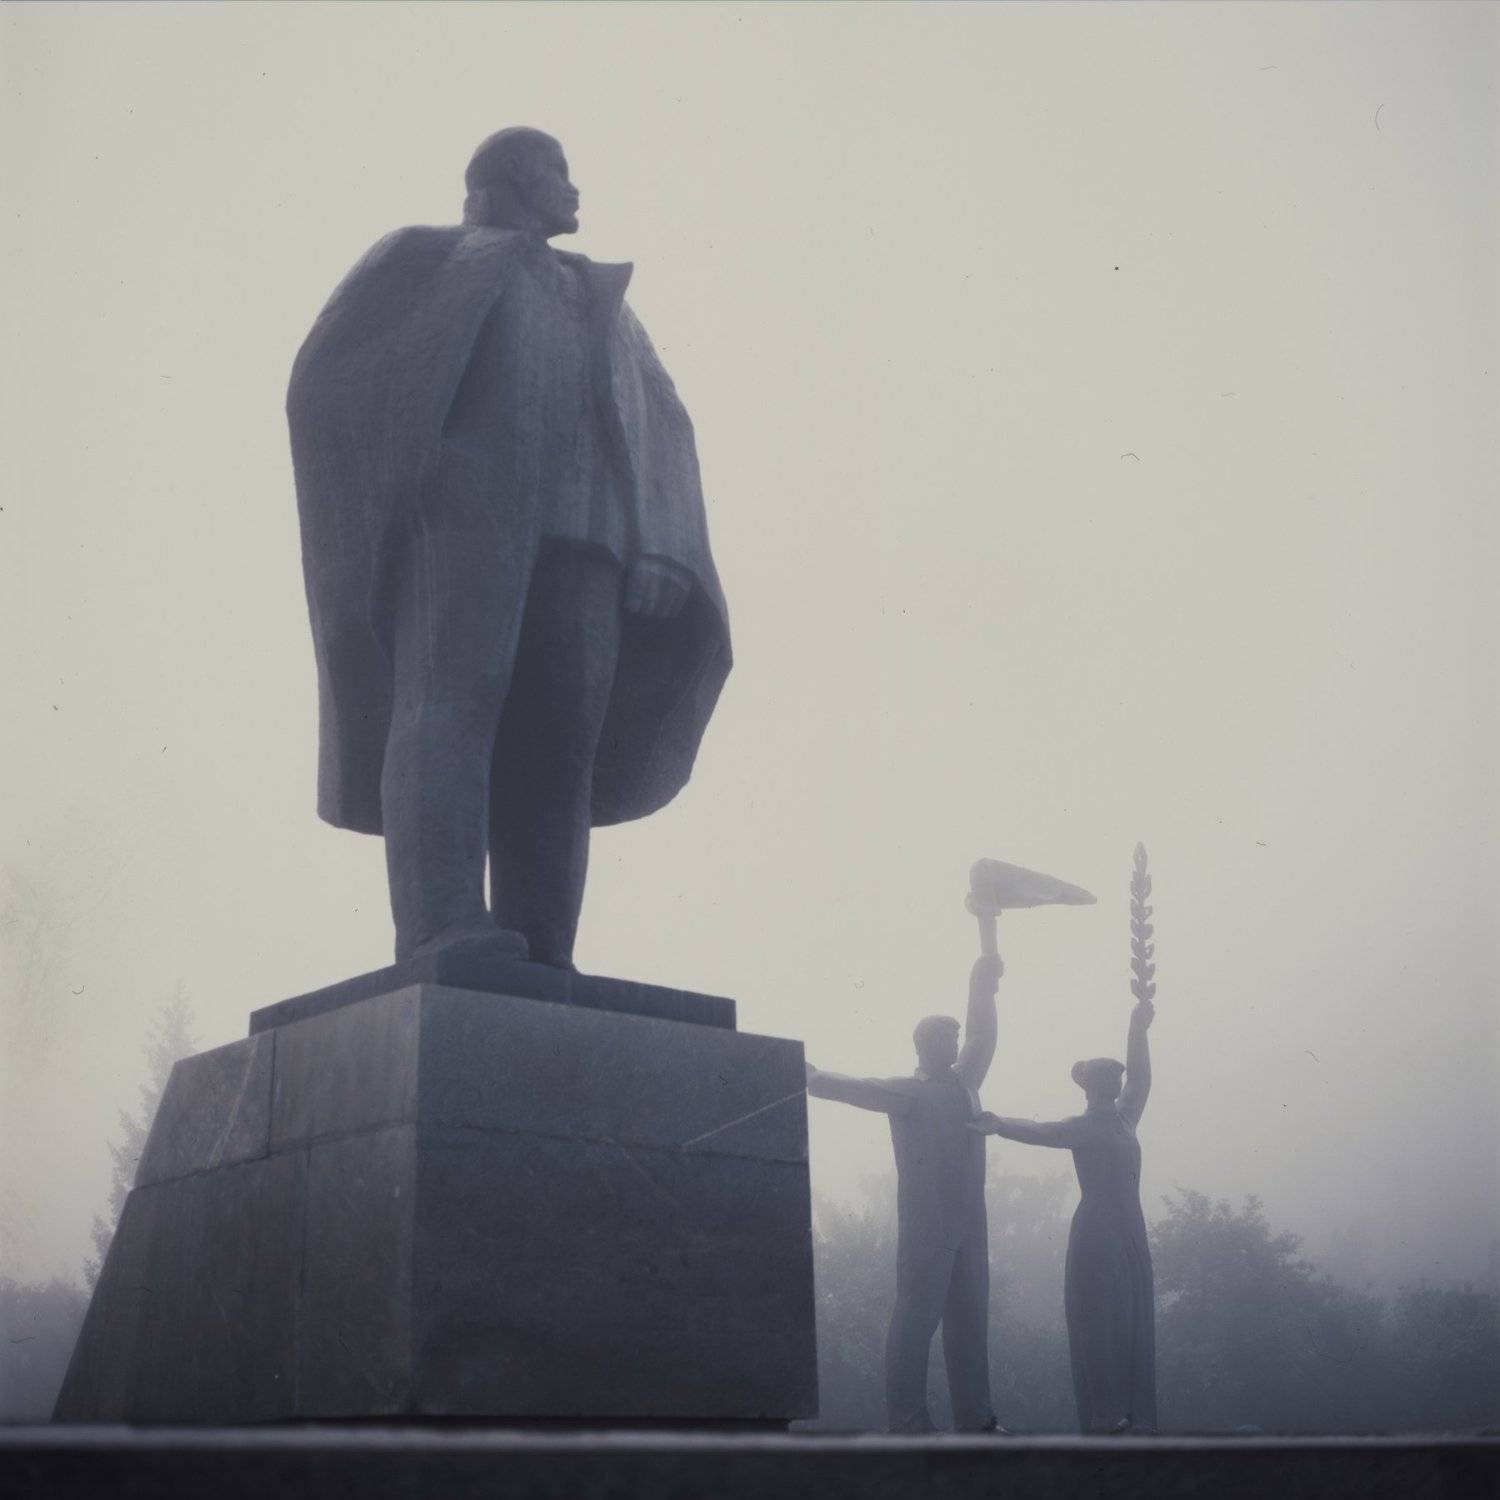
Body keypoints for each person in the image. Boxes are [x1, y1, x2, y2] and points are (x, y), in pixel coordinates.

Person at [287, 127, 730, 966]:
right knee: (449, 709)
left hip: (589, 543)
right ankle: (441, 923)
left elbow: (662, 419)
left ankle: (542, 943)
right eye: (560, 171)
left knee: (562, 742)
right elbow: (329, 379)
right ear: (513, 180)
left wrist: (664, 543)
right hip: (464, 529)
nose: (575, 189)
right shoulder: (428, 259)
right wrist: (417, 482)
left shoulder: (604, 302)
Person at [805, 953, 1003, 1433]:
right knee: (916, 1320)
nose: (955, 1044)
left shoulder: (965, 1083)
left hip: (970, 1224)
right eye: (945, 1037)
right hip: (927, 1225)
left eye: (954, 1037)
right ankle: (909, 1421)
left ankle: (977, 1421)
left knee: (971, 1325)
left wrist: (981, 980)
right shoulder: (907, 1092)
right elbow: (854, 1087)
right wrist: (810, 1075)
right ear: (923, 1045)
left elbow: (982, 1033)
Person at [969, 997, 1157, 1433]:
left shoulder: (1126, 1117)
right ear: (1088, 1085)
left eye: (1116, 1075)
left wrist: (1137, 1027)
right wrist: (1001, 1124)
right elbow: (1043, 1132)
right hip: (1097, 1231)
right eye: (1106, 1075)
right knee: (1099, 1320)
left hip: (1130, 1227)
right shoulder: (1083, 1126)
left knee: (1131, 1318)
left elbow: (1143, 1076)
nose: (1116, 1079)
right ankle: (1106, 1415)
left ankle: (1137, 1414)